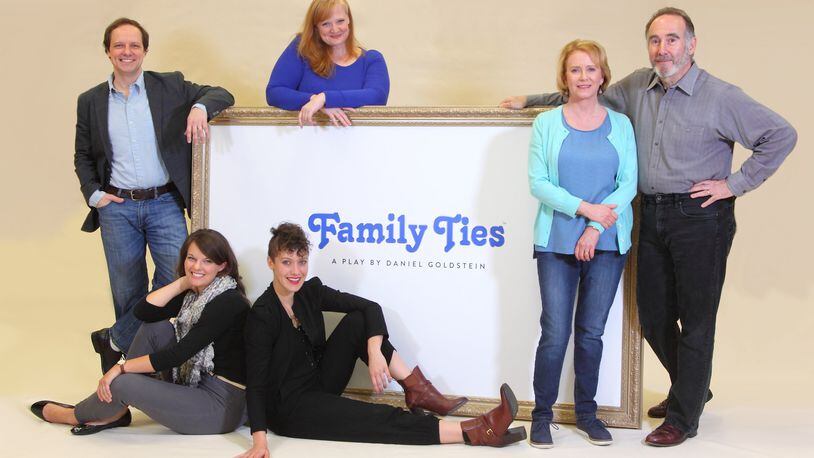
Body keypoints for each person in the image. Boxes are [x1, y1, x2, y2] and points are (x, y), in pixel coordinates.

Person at [501, 7, 797, 447]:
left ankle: (683, 416)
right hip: (651, 214)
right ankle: (693, 387)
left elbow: (782, 135)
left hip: (700, 218)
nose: (664, 49)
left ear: (691, 44)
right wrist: (531, 100)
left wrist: (734, 185)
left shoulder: (721, 96)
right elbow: (584, 91)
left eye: (673, 39)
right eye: (656, 40)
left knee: (696, 320)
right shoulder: (639, 85)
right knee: (653, 314)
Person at [239, 223, 526, 457]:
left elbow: (369, 308)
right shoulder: (263, 315)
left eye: (301, 262)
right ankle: (476, 430)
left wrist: (374, 351)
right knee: (376, 417)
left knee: (358, 321)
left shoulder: (309, 292)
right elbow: (256, 383)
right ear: (271, 263)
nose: (296, 271)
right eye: (286, 262)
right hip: (292, 408)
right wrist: (259, 441)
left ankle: (418, 391)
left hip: (319, 383)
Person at [75, 17, 235, 374]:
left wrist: (199, 108)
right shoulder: (91, 101)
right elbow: (83, 155)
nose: (127, 52)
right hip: (116, 207)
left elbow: (223, 94)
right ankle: (138, 370)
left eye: (134, 45)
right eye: (119, 45)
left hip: (164, 202)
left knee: (177, 281)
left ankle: (114, 341)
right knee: (126, 291)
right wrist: (94, 195)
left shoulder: (170, 86)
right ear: (108, 52)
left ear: (145, 51)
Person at [30, 229, 249, 435]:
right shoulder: (195, 295)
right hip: (195, 383)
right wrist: (183, 283)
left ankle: (77, 415)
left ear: (222, 266)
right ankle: (114, 408)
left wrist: (121, 368)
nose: (196, 266)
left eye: (207, 261)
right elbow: (144, 313)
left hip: (221, 405)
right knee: (155, 328)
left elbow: (178, 355)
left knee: (122, 382)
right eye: (191, 258)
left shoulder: (228, 302)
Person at [526, 40, 636, 449]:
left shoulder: (620, 125)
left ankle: (588, 415)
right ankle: (542, 416)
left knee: (590, 333)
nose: (584, 77)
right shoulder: (547, 123)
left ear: (603, 75)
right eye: (575, 70)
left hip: (607, 243)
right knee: (554, 333)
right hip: (555, 243)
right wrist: (586, 209)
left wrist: (594, 227)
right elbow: (539, 183)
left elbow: (628, 184)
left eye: (591, 69)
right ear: (565, 77)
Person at [265, 0, 389, 127]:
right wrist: (314, 100)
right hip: (305, 140)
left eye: (340, 21)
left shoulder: (372, 59)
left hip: (358, 143)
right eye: (326, 24)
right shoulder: (301, 49)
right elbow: (274, 92)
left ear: (348, 20)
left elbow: (377, 97)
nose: (334, 29)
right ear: (316, 27)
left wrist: (324, 98)